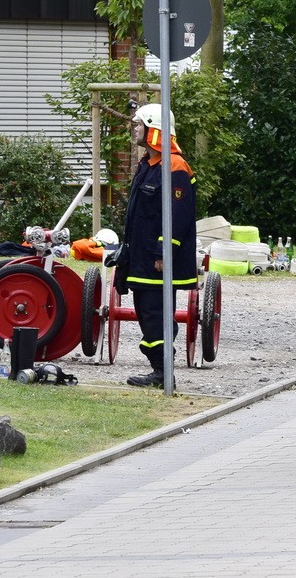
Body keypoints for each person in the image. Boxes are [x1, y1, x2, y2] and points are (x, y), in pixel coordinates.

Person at [112, 103, 198, 389]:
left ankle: (163, 373)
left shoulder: (174, 166)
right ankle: (160, 371)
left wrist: (165, 252)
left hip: (157, 260)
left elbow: (176, 215)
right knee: (148, 316)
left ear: (153, 130)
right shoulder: (148, 165)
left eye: (138, 124)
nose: (133, 129)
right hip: (140, 257)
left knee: (155, 316)